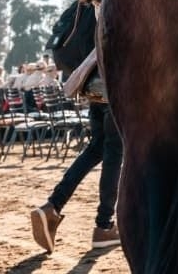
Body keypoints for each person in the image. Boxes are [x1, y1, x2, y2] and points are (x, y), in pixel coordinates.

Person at [30, 102, 123, 252]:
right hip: (115, 97)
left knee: (96, 148)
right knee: (114, 153)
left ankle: (53, 205)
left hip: (96, 95)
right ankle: (104, 226)